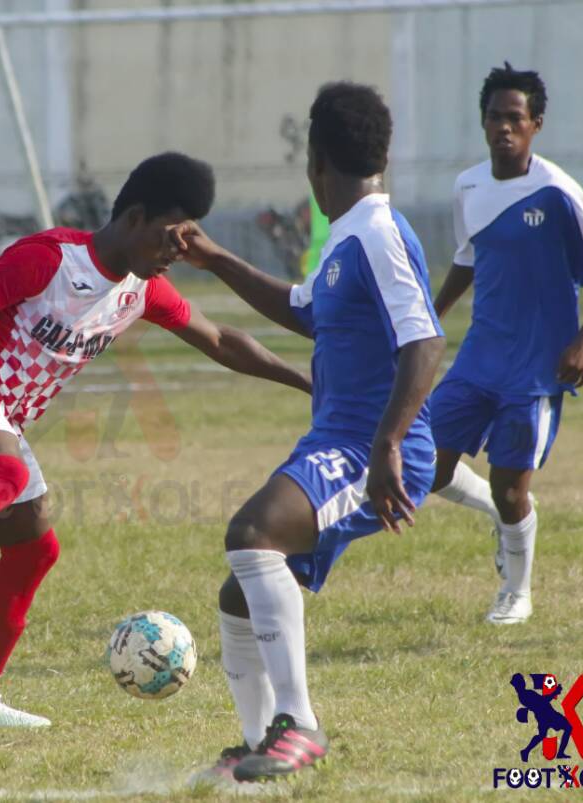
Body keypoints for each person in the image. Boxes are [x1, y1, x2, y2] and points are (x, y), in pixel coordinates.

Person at [0, 152, 313, 731]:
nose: (177, 252)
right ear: (135, 217)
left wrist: (306, 379)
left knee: (34, 548)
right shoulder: (50, 259)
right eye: (172, 235)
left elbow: (220, 340)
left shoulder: (139, 290)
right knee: (7, 475)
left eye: (190, 238)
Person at [175, 83, 446, 783]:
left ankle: (300, 724)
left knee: (253, 533)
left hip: (370, 446)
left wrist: (386, 446)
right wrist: (216, 258)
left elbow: (425, 343)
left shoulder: (379, 233)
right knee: (241, 590)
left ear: (316, 162)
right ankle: (257, 741)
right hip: (342, 442)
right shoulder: (348, 233)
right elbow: (304, 311)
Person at [428, 63, 583, 625]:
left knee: (516, 490)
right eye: (495, 117)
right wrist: (430, 318)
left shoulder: (558, 190)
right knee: (424, 465)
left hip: (537, 369)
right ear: (483, 123)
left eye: (516, 118)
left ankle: (517, 591)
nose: (504, 127)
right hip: (478, 358)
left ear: (536, 124)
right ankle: (491, 507)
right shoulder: (467, 186)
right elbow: (467, 259)